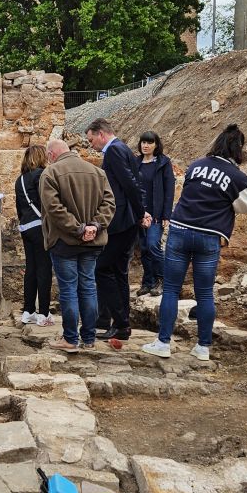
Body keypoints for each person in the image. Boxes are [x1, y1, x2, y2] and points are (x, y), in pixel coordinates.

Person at [142, 124, 247, 360]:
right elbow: (246, 207)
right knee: (204, 293)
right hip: (209, 235)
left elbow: (188, 190)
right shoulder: (237, 176)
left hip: (180, 230)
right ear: (238, 149)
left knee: (171, 289)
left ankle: (163, 342)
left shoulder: (196, 165)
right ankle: (203, 347)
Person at [39, 139, 115, 352]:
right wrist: (95, 226)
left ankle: (70, 339)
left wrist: (78, 229)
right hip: (93, 243)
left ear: (51, 155)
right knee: (89, 287)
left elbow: (54, 209)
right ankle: (89, 338)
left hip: (64, 242)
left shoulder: (51, 173)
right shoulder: (97, 172)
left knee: (69, 290)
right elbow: (109, 204)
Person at [85, 118, 148, 341]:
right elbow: (136, 181)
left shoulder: (113, 151)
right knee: (119, 271)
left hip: (121, 221)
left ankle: (120, 322)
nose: (91, 144)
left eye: (91, 140)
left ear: (101, 134)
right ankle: (118, 323)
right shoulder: (123, 148)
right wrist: (139, 213)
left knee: (102, 268)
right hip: (127, 219)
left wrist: (140, 214)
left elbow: (130, 184)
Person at [15, 145, 54, 326]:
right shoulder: (41, 175)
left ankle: (28, 310)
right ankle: (43, 313)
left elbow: (19, 207)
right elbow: (46, 201)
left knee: (31, 268)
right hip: (39, 226)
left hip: (26, 226)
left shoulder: (20, 179)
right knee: (44, 268)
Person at [133, 131, 175, 297]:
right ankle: (148, 282)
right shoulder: (136, 163)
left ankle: (162, 281)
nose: (145, 145)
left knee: (152, 246)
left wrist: (166, 215)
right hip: (139, 214)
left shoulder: (163, 163)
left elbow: (169, 190)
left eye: (149, 142)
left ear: (156, 145)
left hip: (156, 214)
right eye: (143, 142)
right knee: (144, 249)